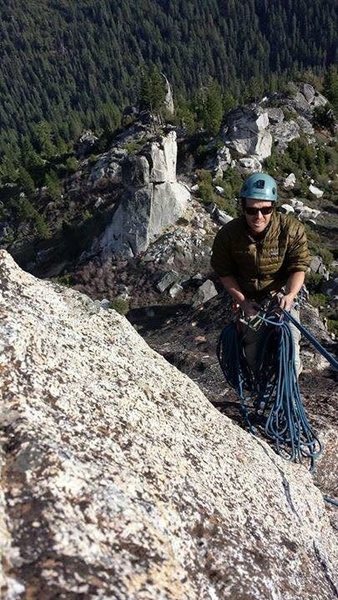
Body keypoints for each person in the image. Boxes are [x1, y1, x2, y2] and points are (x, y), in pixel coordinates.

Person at [211, 172, 310, 376]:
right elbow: (225, 272)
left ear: (273, 207)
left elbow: (298, 267)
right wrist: (243, 302)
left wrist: (290, 296)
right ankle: (261, 386)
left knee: (290, 344)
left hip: (280, 294)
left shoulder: (291, 230)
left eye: (266, 210)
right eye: (252, 210)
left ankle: (288, 390)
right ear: (243, 208)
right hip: (248, 298)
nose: (259, 216)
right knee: (254, 350)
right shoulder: (228, 235)